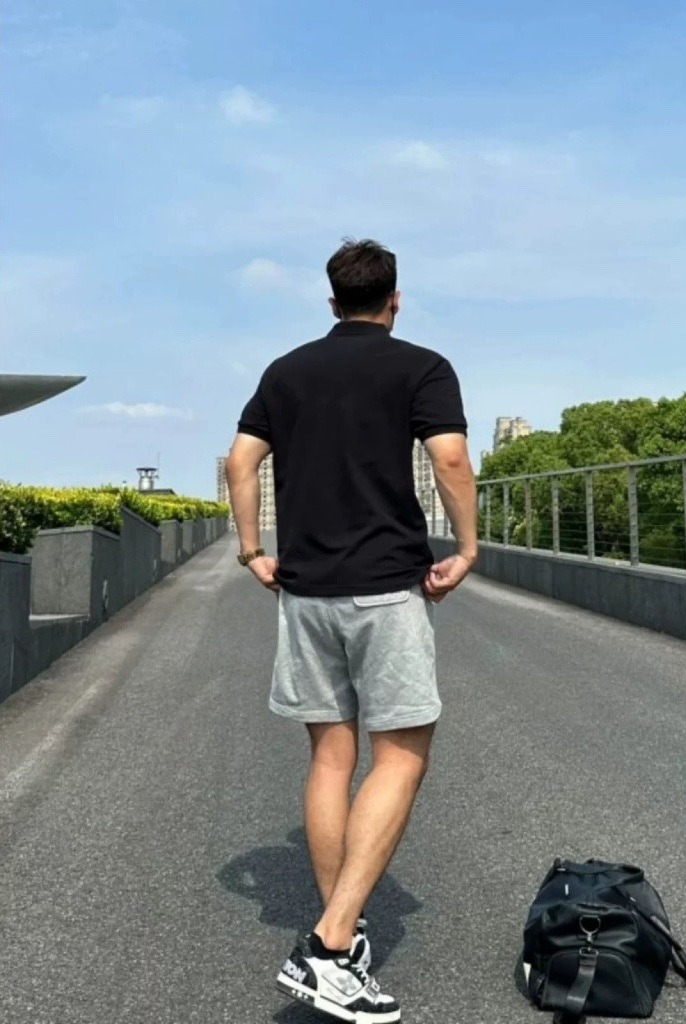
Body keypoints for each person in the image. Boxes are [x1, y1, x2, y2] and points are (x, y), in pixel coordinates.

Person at [225, 238, 478, 1023]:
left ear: (332, 301)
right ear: (394, 299)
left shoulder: (286, 371)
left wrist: (252, 551)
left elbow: (238, 464)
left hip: (304, 592)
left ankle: (341, 924)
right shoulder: (421, 367)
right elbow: (450, 460)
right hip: (386, 589)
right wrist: (467, 548)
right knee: (400, 755)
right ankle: (331, 948)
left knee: (330, 758)